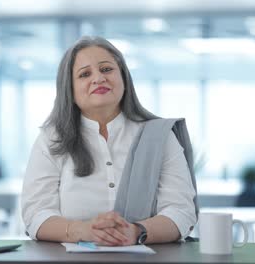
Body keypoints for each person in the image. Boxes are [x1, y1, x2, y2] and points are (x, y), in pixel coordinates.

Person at [21, 36, 198, 246]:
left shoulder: (160, 136)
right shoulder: (51, 140)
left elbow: (181, 211)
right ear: (69, 89)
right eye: (84, 74)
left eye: (106, 69)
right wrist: (84, 230)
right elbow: (36, 214)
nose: (98, 78)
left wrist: (136, 232)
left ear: (123, 77)